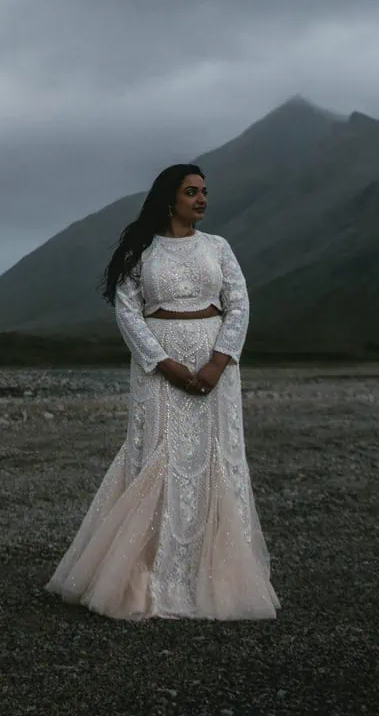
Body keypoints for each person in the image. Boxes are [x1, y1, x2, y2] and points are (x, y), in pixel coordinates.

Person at [46, 163, 279, 620]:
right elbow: (128, 311)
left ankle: (214, 578)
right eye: (192, 191)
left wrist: (218, 361)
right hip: (157, 369)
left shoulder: (219, 247)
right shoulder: (143, 251)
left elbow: (240, 303)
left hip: (217, 368)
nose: (202, 199)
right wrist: (164, 363)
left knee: (215, 456)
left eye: (205, 192)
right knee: (158, 453)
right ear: (169, 199)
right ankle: (147, 577)